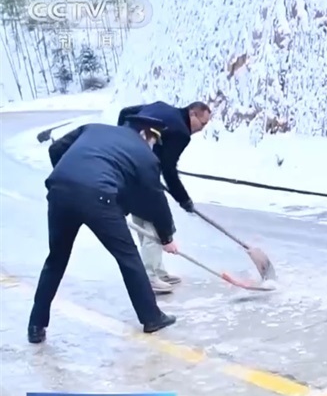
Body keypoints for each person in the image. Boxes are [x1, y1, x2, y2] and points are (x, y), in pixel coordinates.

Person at [29, 115, 180, 344]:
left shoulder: (92, 128)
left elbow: (56, 149)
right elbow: (155, 198)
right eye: (152, 140)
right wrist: (166, 236)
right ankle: (152, 317)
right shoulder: (144, 154)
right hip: (99, 196)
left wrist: (71, 181)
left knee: (56, 259)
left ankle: (36, 325)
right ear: (144, 134)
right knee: (128, 258)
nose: (151, 146)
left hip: (59, 191)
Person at [117, 100, 211, 294]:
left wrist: (122, 136)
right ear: (192, 114)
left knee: (143, 220)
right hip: (139, 172)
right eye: (202, 124)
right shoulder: (181, 132)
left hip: (126, 166)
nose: (201, 129)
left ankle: (157, 271)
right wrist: (183, 199)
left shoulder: (162, 107)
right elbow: (169, 170)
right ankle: (150, 277)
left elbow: (126, 111)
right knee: (155, 224)